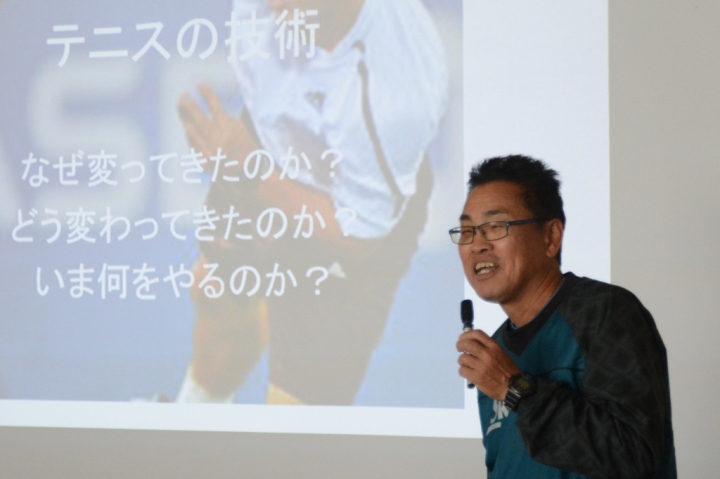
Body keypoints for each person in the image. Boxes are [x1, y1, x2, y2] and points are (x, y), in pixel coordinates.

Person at [175, 0, 449, 404]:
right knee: (215, 294)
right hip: (274, 142)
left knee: (292, 420)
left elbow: (358, 235)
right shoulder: (272, 9)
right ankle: (192, 425)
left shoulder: (395, 94)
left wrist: (250, 172)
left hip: (352, 206)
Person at [452, 155, 677, 478]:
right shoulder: (495, 353)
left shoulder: (605, 313)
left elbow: (634, 455)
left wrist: (516, 389)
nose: (477, 244)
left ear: (551, 237)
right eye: (466, 231)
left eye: (495, 226)